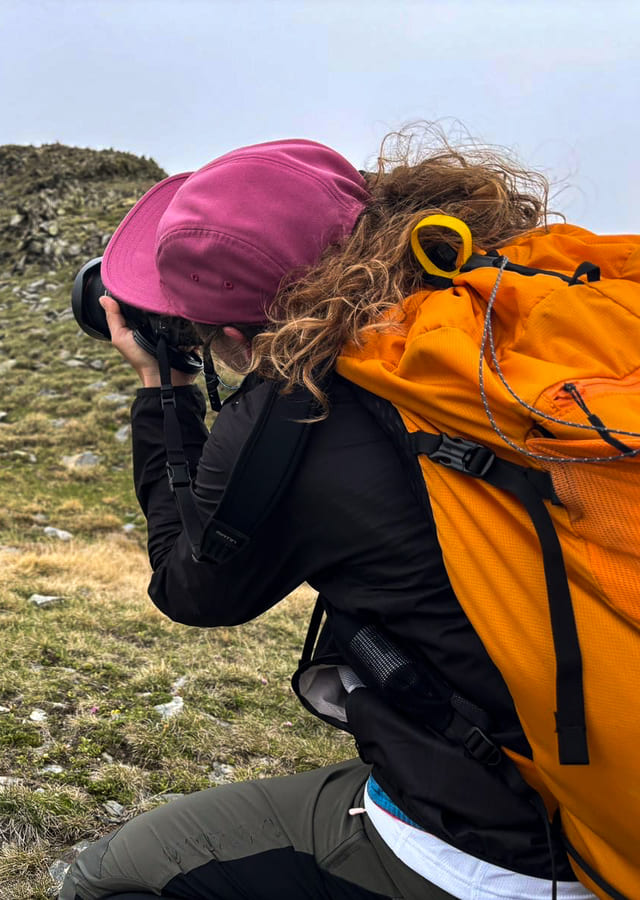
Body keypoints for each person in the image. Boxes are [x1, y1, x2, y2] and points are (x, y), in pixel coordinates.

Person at [59, 138, 597, 900]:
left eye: (206, 330)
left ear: (240, 339)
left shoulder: (298, 408)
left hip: (506, 844)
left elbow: (192, 589)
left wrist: (166, 385)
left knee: (107, 877)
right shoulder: (509, 317)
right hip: (605, 774)